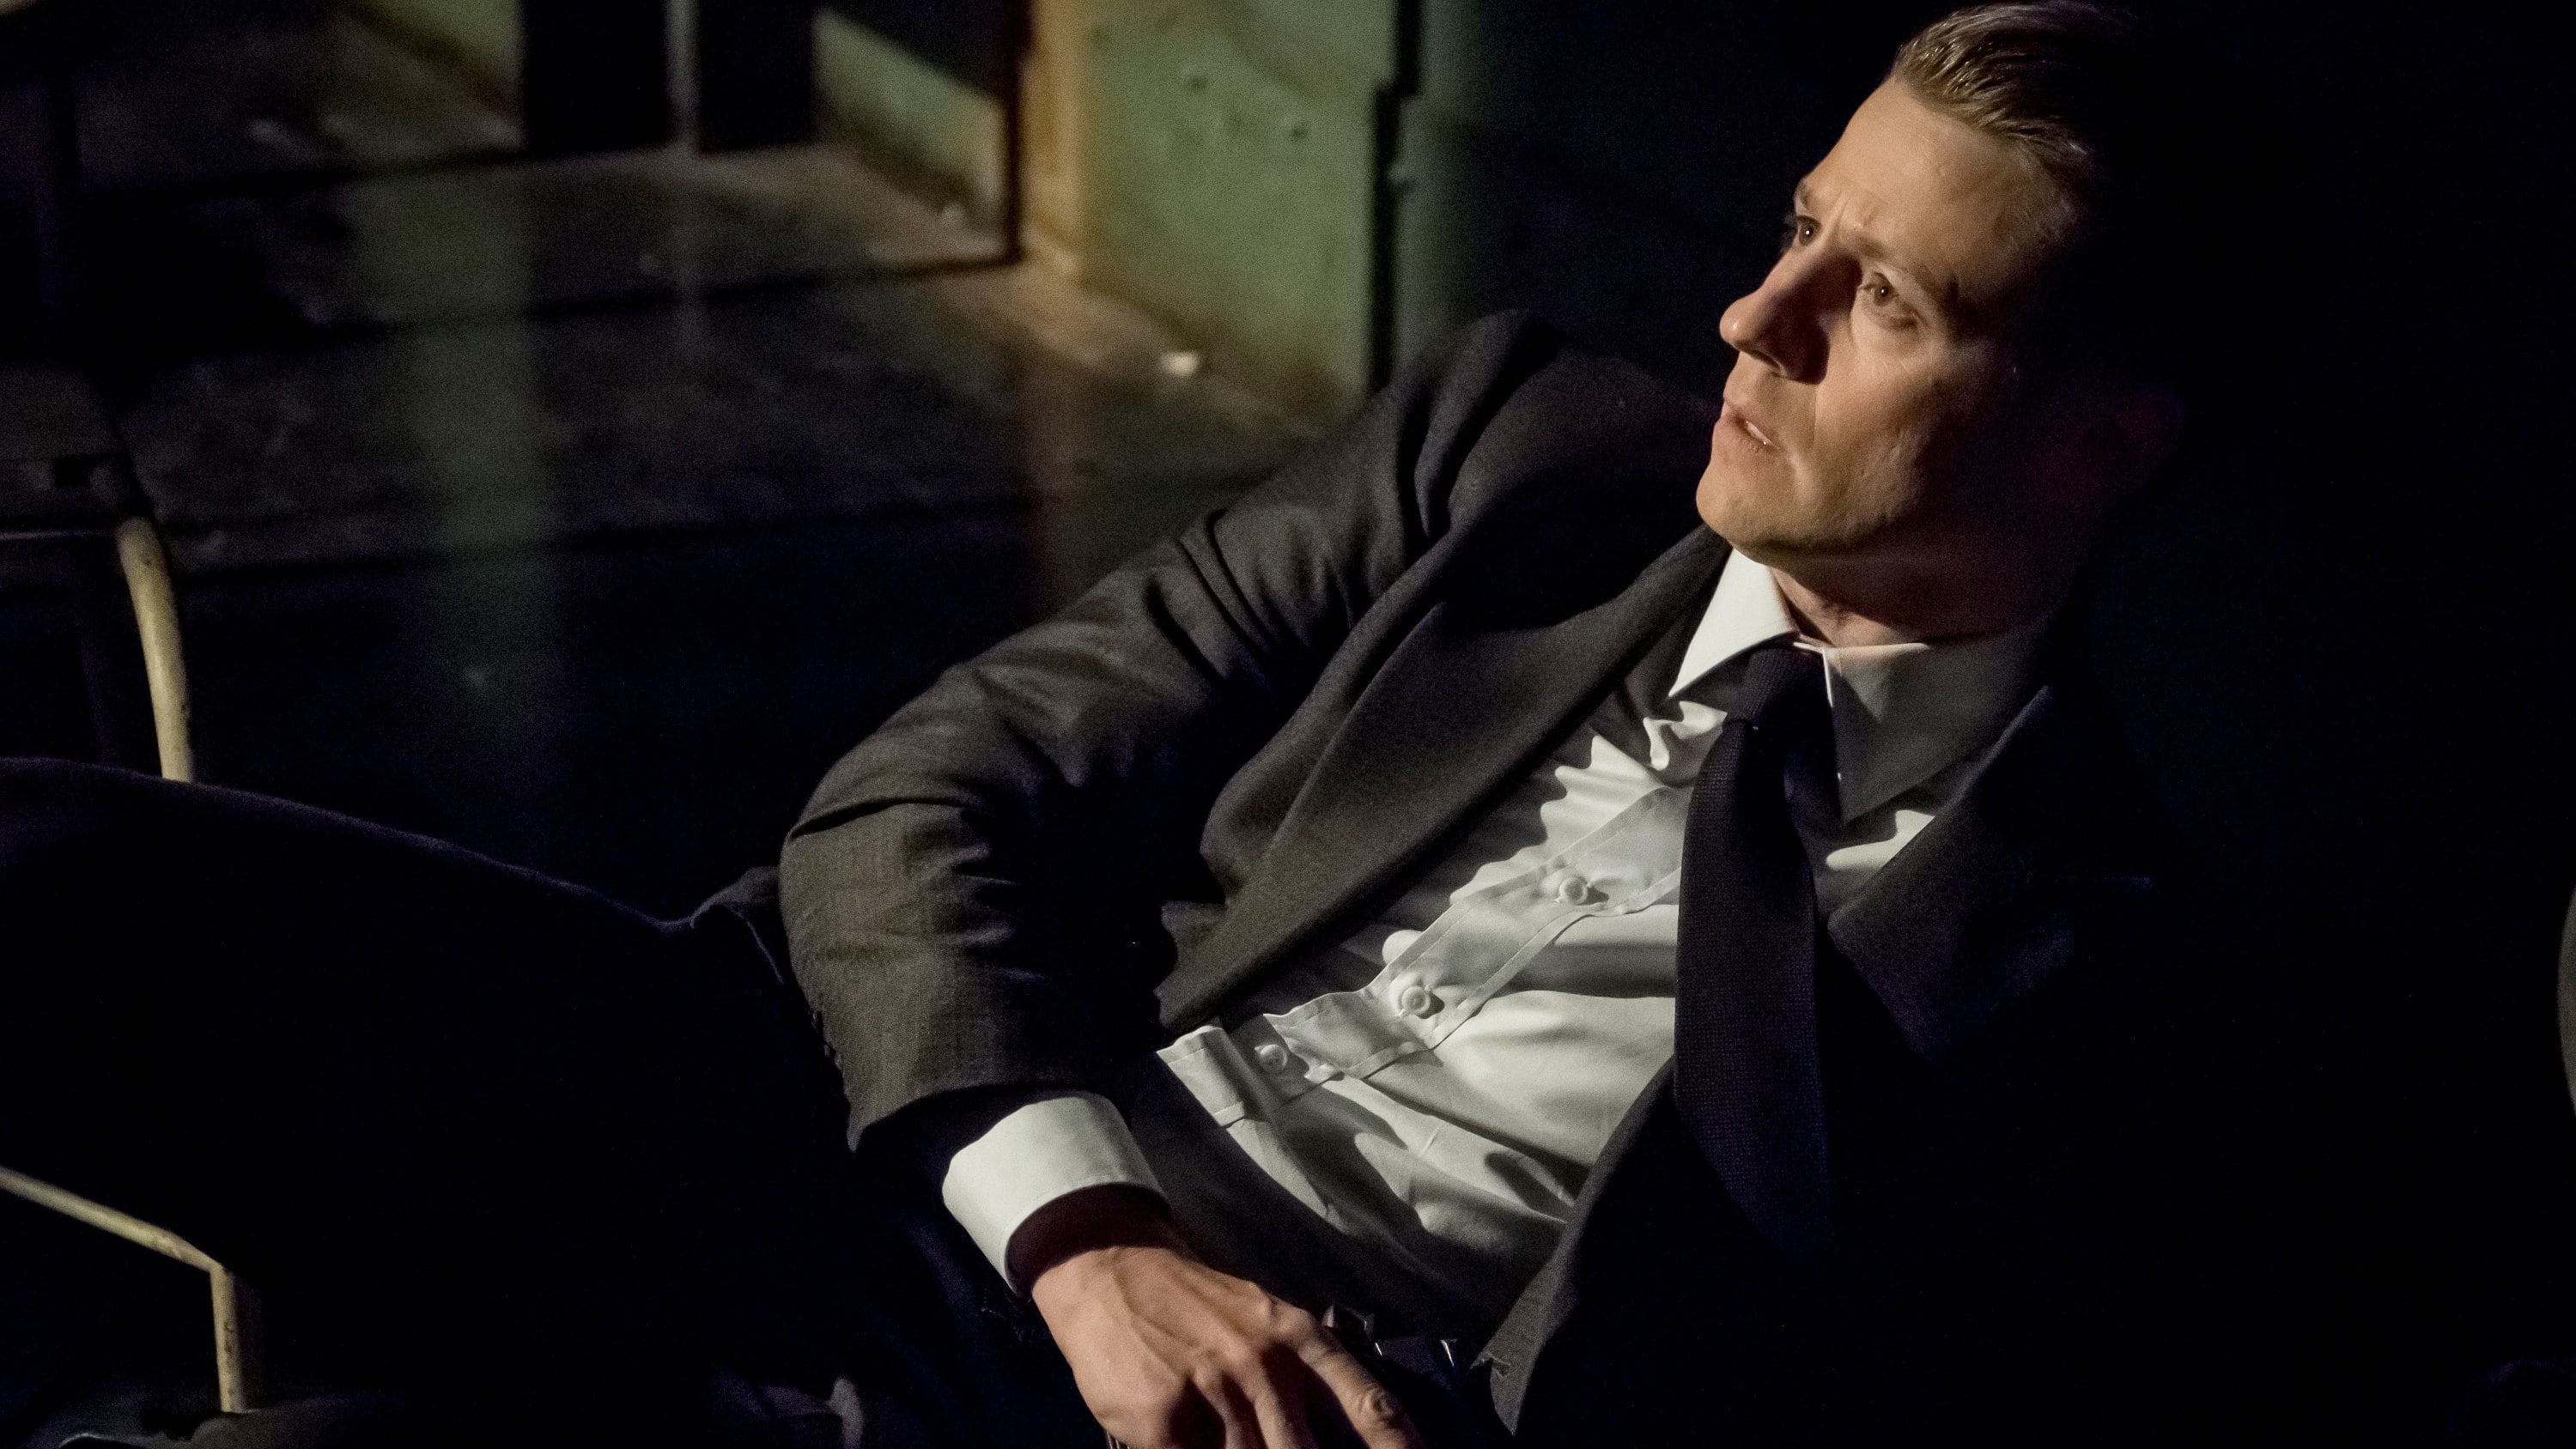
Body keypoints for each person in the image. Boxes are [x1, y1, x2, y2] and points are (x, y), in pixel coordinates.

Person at [6, 4, 2573, 1446]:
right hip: (883, 1114)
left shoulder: (2107, 916)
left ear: (2098, 448)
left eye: (1879, 303)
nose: (1751, 321)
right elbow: (930, 799)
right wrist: (1092, 1234)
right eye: (1799, 228)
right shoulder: (1524, 460)